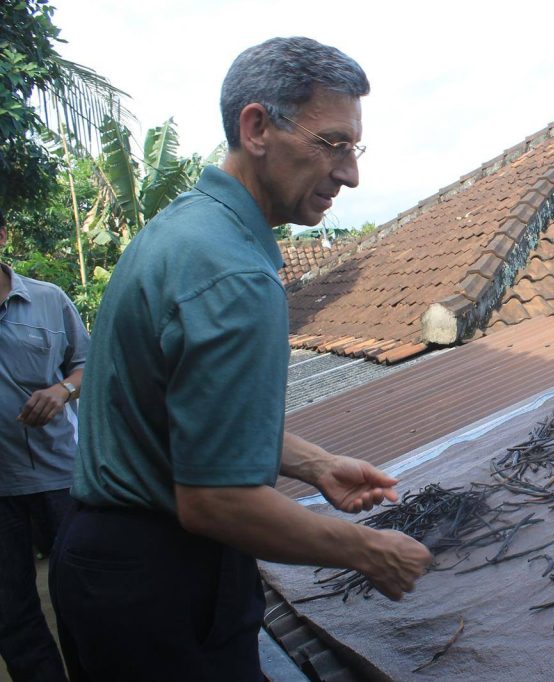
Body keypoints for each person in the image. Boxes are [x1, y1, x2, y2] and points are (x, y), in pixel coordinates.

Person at [49, 37, 432, 682]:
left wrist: (317, 464)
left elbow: (184, 411)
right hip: (160, 586)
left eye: (353, 148)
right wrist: (368, 551)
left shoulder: (182, 231)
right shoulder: (235, 276)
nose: (350, 174)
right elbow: (216, 501)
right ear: (257, 128)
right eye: (333, 144)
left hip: (101, 570)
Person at [0, 207, 89, 682]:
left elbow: (88, 365)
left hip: (59, 476)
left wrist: (62, 390)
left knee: (82, 598)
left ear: (1, 234)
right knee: (10, 615)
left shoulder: (48, 300)